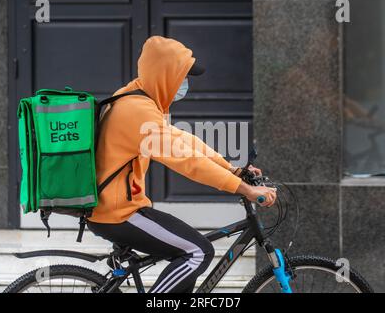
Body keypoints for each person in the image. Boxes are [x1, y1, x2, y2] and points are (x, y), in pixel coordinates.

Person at [87, 36, 277, 293]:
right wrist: (245, 189)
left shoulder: (137, 97)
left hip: (117, 208)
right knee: (197, 252)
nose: (185, 83)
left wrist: (232, 169)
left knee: (187, 266)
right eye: (182, 75)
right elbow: (188, 162)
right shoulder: (137, 111)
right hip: (118, 214)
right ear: (165, 74)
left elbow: (186, 143)